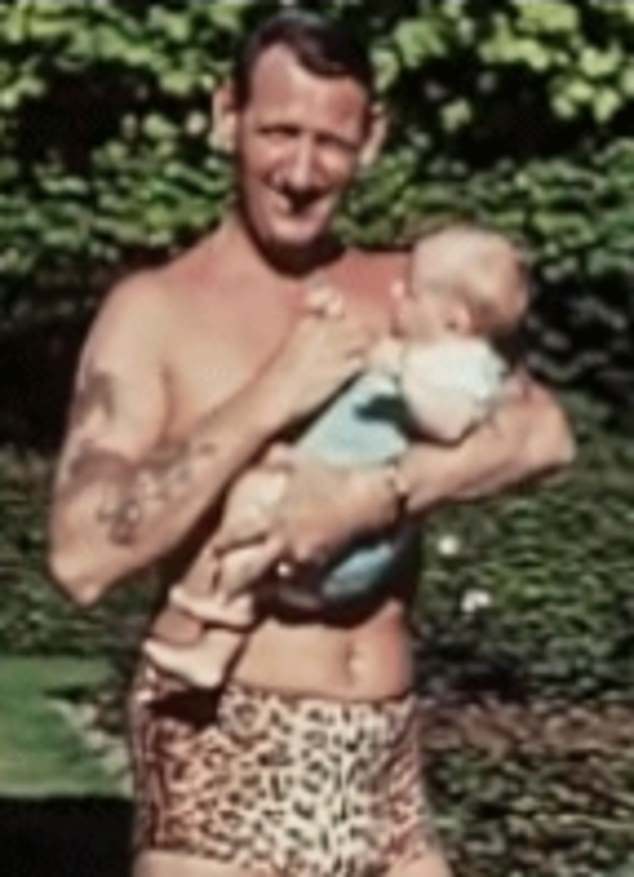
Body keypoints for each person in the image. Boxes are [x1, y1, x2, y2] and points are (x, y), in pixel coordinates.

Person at [47, 12, 574, 877]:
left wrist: (386, 490)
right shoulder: (155, 312)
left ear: (371, 141)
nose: (299, 171)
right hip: (224, 765)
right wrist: (270, 396)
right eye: (278, 132)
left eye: (330, 142)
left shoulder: (402, 295)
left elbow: (544, 431)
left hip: (385, 771)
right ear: (227, 117)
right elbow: (80, 554)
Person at [143, 224, 531, 689]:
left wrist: (400, 369)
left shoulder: (465, 366)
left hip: (346, 545)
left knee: (258, 510)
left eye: (410, 290)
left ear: (455, 320)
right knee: (253, 489)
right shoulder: (425, 352)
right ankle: (214, 645)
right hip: (315, 492)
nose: (395, 292)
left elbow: (450, 421)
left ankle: (207, 599)